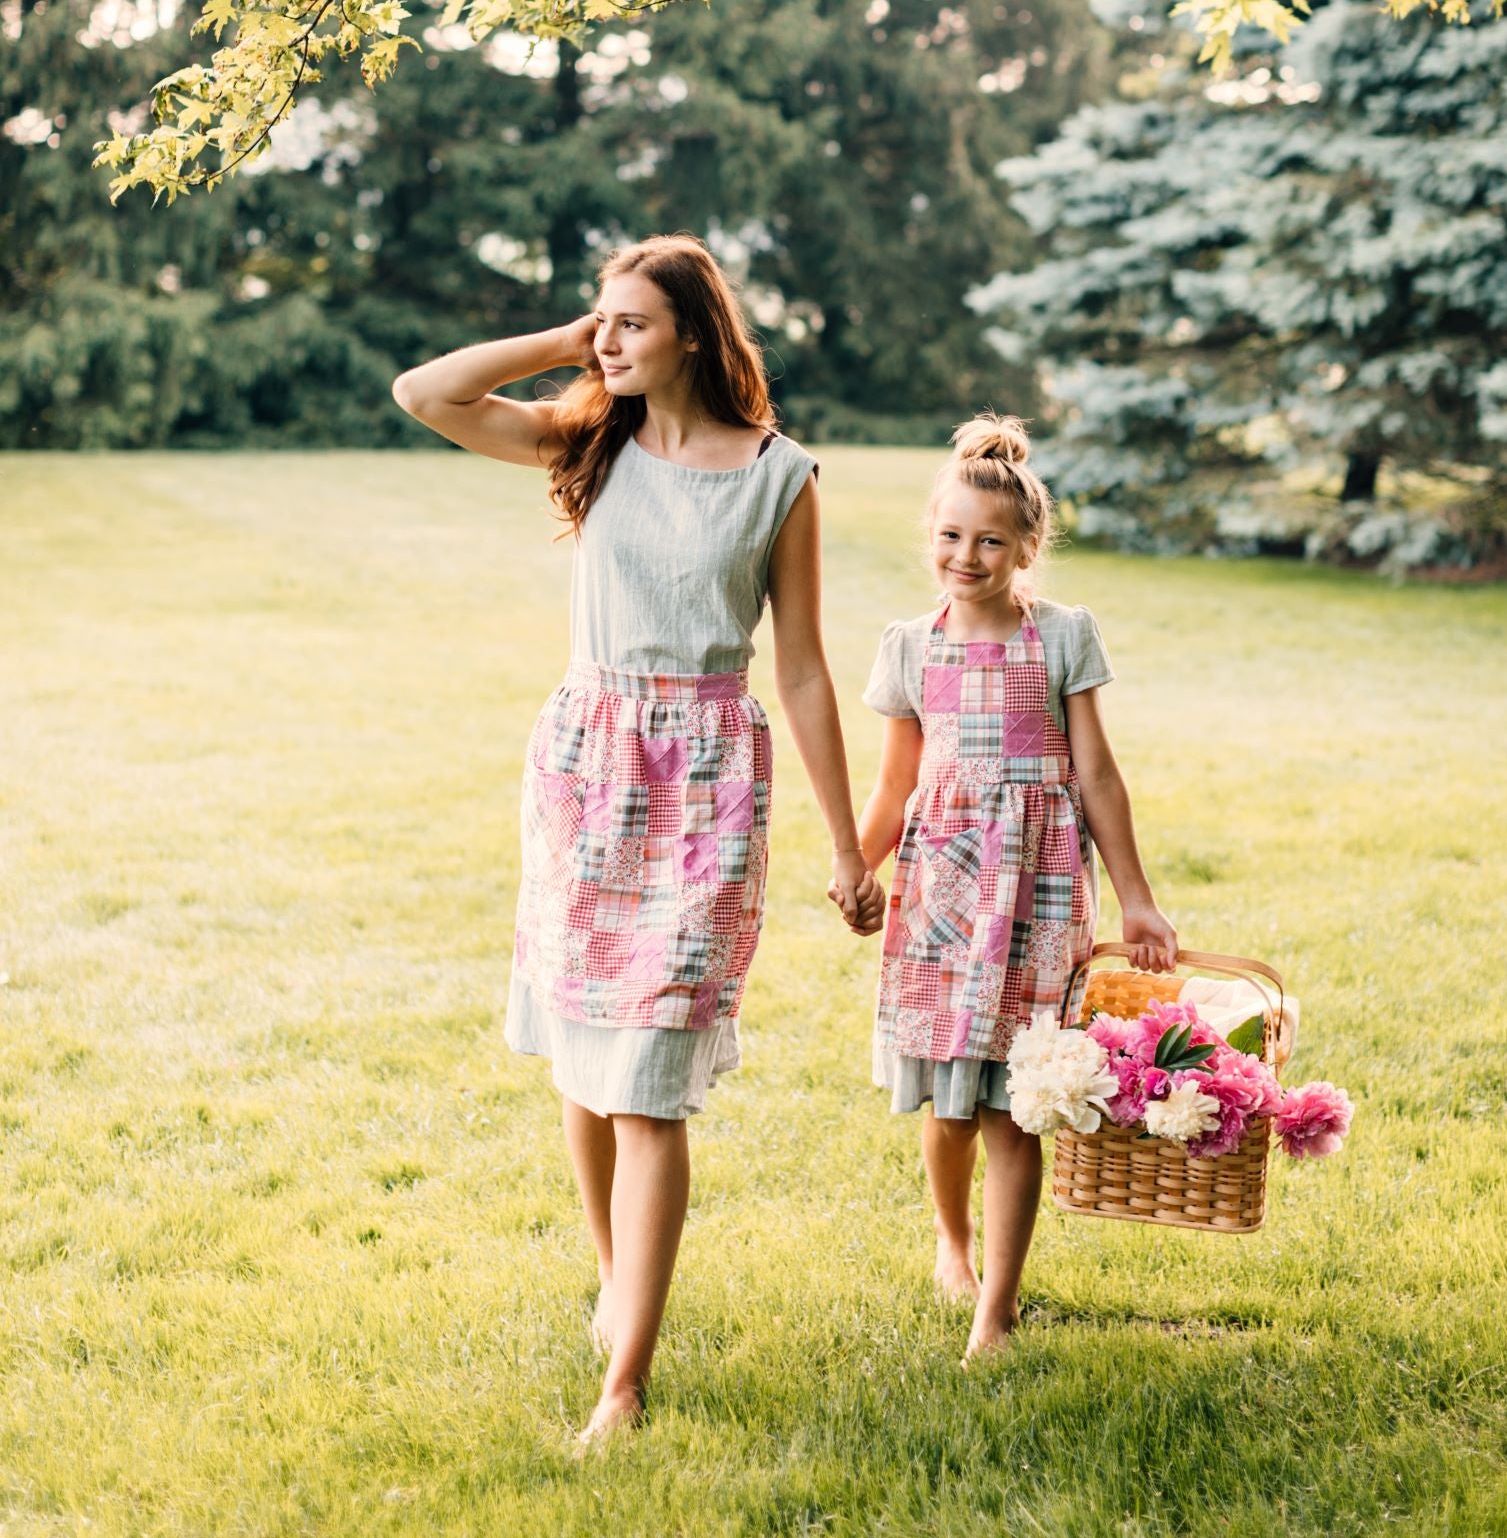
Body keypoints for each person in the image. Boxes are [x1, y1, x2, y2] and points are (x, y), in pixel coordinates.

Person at [392, 234, 884, 1439]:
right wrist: (573, 347)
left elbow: (809, 669)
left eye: (632, 323)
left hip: (707, 774)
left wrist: (845, 843)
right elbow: (426, 393)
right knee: (585, 1048)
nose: (609, 338)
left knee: (650, 1079)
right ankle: (616, 1281)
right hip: (586, 762)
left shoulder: (781, 476)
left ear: (697, 336)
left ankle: (625, 1382)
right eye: (600, 319)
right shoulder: (588, 439)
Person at [856, 415, 1176, 1360]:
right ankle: (952, 1241)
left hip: (1037, 895)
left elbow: (1100, 775)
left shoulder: (1065, 635)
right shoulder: (910, 646)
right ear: (932, 537)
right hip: (943, 894)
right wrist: (854, 861)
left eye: (991, 539)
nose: (968, 554)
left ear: (1027, 547)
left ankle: (997, 1306)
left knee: (1012, 1103)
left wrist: (1137, 896)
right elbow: (893, 783)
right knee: (950, 1102)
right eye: (951, 536)